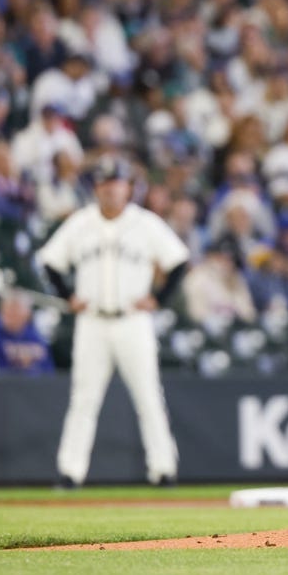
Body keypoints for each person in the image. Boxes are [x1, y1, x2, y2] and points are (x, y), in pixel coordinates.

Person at [38, 156, 190, 488]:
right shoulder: (81, 222)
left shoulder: (145, 222)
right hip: (92, 321)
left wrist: (159, 300)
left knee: (149, 396)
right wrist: (67, 295)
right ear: (96, 188)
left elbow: (179, 262)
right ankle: (70, 471)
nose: (111, 189)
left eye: (117, 183)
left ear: (128, 188)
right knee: (83, 399)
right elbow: (50, 262)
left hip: (132, 320)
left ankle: (163, 469)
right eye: (105, 183)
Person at [0, 291, 55, 375]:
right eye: (8, 310)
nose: (11, 315)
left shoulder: (34, 335)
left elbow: (48, 371)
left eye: (16, 312)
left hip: (30, 386)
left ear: (27, 315)